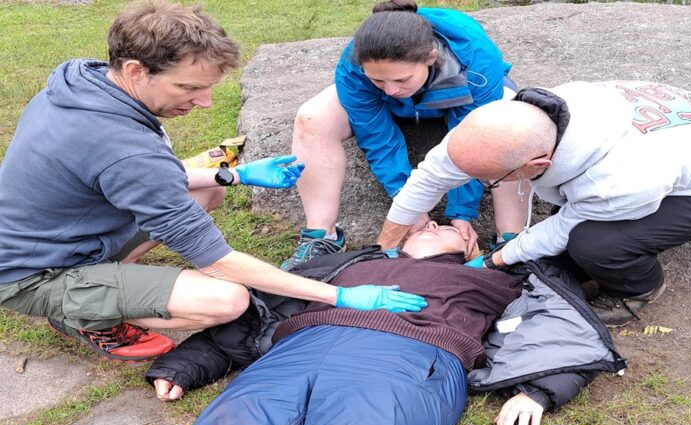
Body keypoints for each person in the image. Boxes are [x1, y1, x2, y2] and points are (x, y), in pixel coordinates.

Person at [0, 0, 427, 363]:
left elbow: (136, 174)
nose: (204, 103)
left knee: (209, 189)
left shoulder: (84, 81)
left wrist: (236, 174)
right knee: (227, 300)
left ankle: (110, 281)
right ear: (134, 70)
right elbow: (215, 259)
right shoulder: (122, 146)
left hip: (69, 232)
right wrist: (338, 297)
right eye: (188, 87)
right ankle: (80, 311)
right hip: (35, 272)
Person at [146, 222, 626, 425]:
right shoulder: (348, 266)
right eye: (429, 221)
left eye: (452, 227)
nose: (436, 224)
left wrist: (541, 390)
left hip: (405, 362)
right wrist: (187, 363)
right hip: (297, 352)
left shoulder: (498, 280)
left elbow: (557, 325)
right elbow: (267, 306)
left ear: (472, 248)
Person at [377, 80, 691, 327]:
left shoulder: (617, 179)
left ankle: (638, 288)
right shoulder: (507, 122)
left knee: (595, 244)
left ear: (537, 165)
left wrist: (491, 261)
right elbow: (432, 174)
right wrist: (386, 248)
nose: (480, 183)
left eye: (488, 181)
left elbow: (564, 228)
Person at [281, 0, 524, 270]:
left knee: (509, 127)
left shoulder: (478, 59)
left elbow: (474, 140)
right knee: (311, 118)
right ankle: (321, 238)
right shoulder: (356, 64)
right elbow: (377, 138)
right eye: (378, 81)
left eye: (402, 79)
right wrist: (410, 207)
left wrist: (462, 212)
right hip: (399, 106)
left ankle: (511, 242)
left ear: (431, 58)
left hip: (467, 99)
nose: (390, 90)